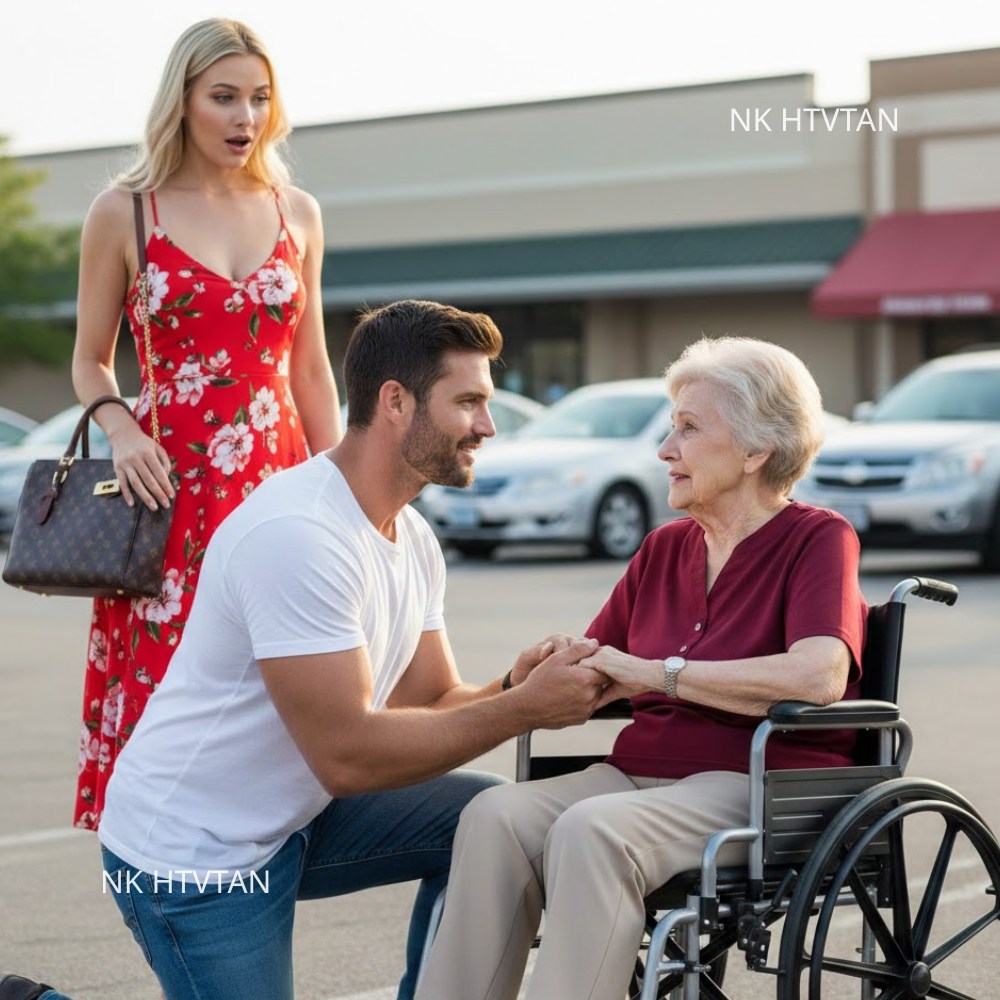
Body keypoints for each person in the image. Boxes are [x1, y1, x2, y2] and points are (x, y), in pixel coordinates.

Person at [0, 300, 607, 1000]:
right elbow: (348, 755)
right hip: (193, 855)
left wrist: (514, 687)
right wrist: (524, 711)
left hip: (294, 818)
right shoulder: (298, 534)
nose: (488, 426)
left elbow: (431, 704)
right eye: (468, 402)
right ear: (395, 402)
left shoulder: (408, 537)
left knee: (493, 819)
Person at [415, 335, 869, 1000]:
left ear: (756, 450)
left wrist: (661, 673)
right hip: (638, 776)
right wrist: (546, 670)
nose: (665, 450)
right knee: (493, 818)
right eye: (670, 428)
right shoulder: (664, 547)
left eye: (688, 429)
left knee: (593, 831)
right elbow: (603, 676)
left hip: (761, 782)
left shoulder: (817, 538)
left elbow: (818, 677)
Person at [70, 18, 341, 831]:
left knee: (280, 676)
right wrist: (122, 429)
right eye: (224, 97)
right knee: (173, 692)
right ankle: (165, 861)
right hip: (168, 491)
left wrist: (355, 497)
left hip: (277, 480)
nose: (244, 118)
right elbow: (90, 360)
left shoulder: (298, 212)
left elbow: (311, 368)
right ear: (182, 101)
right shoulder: (126, 211)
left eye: (259, 99)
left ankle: (263, 853)